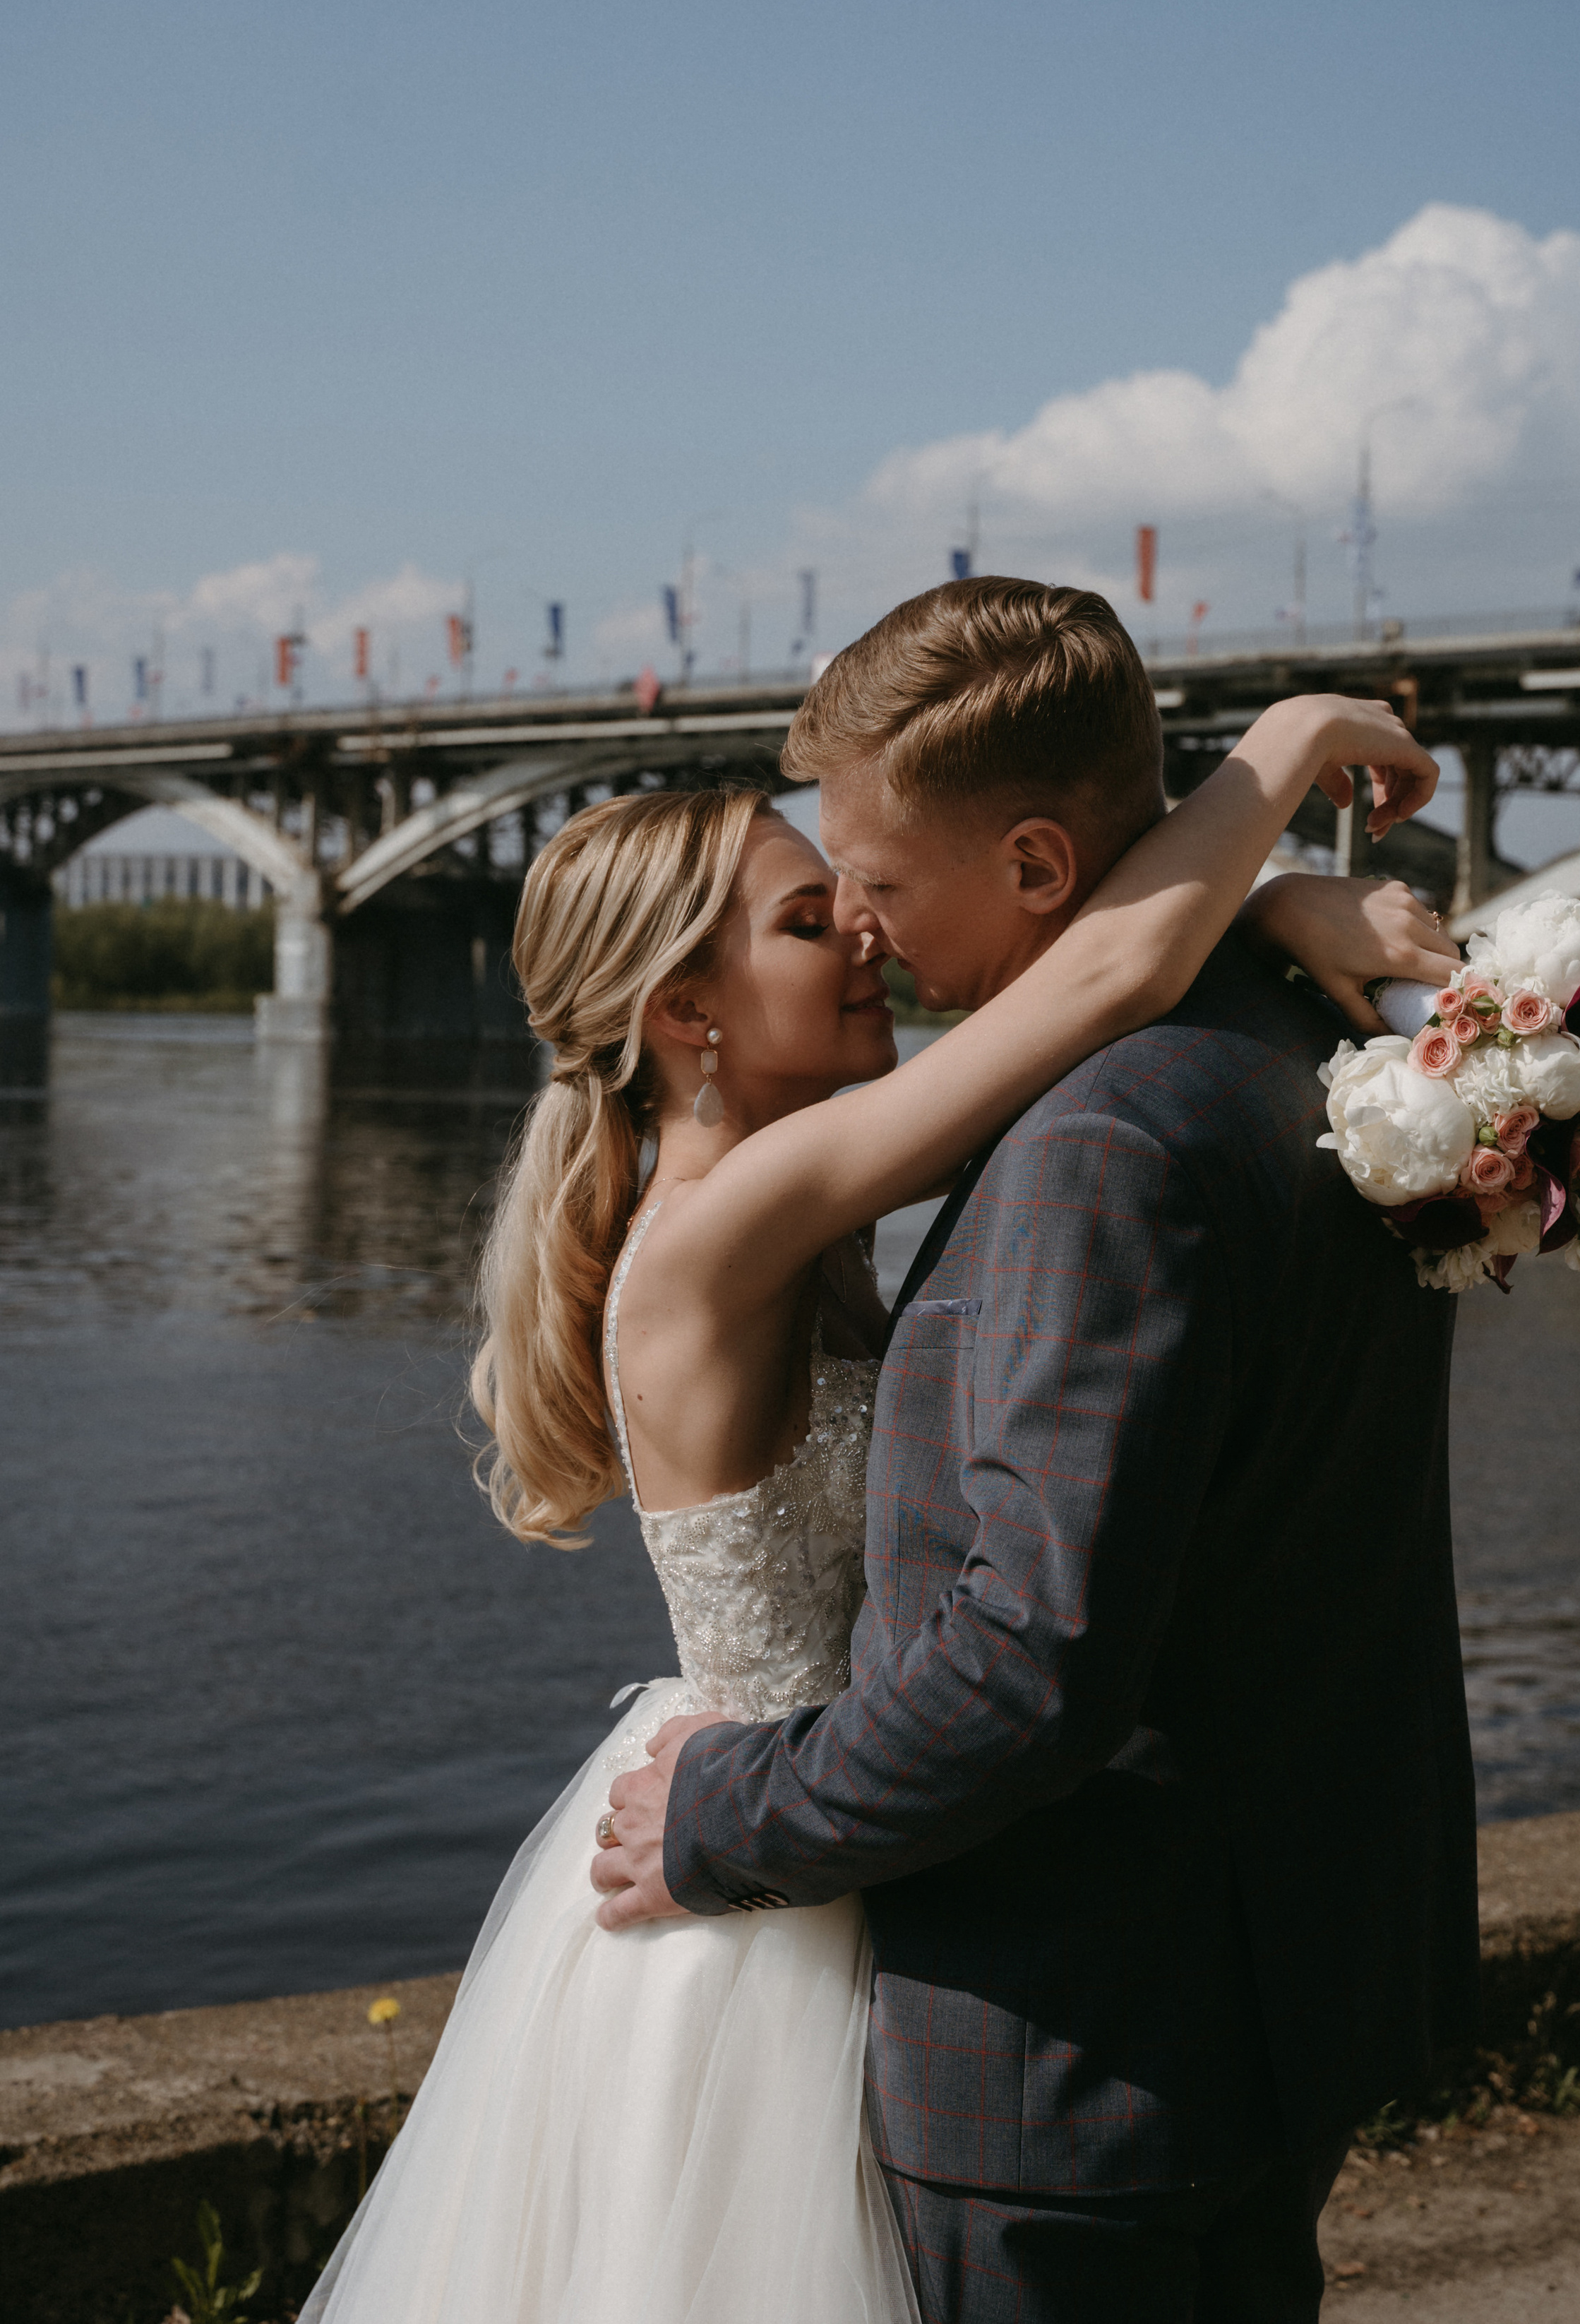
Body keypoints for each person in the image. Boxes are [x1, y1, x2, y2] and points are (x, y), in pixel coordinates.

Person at [303, 578, 1455, 2324]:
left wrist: (1273, 893)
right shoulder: (723, 1226)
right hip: (777, 1864)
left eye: (857, 894)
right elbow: (1113, 971)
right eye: (800, 920)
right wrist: (1282, 769)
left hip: (868, 1856)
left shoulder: (808, 1191)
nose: (854, 927)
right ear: (684, 1021)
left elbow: (1089, 974)